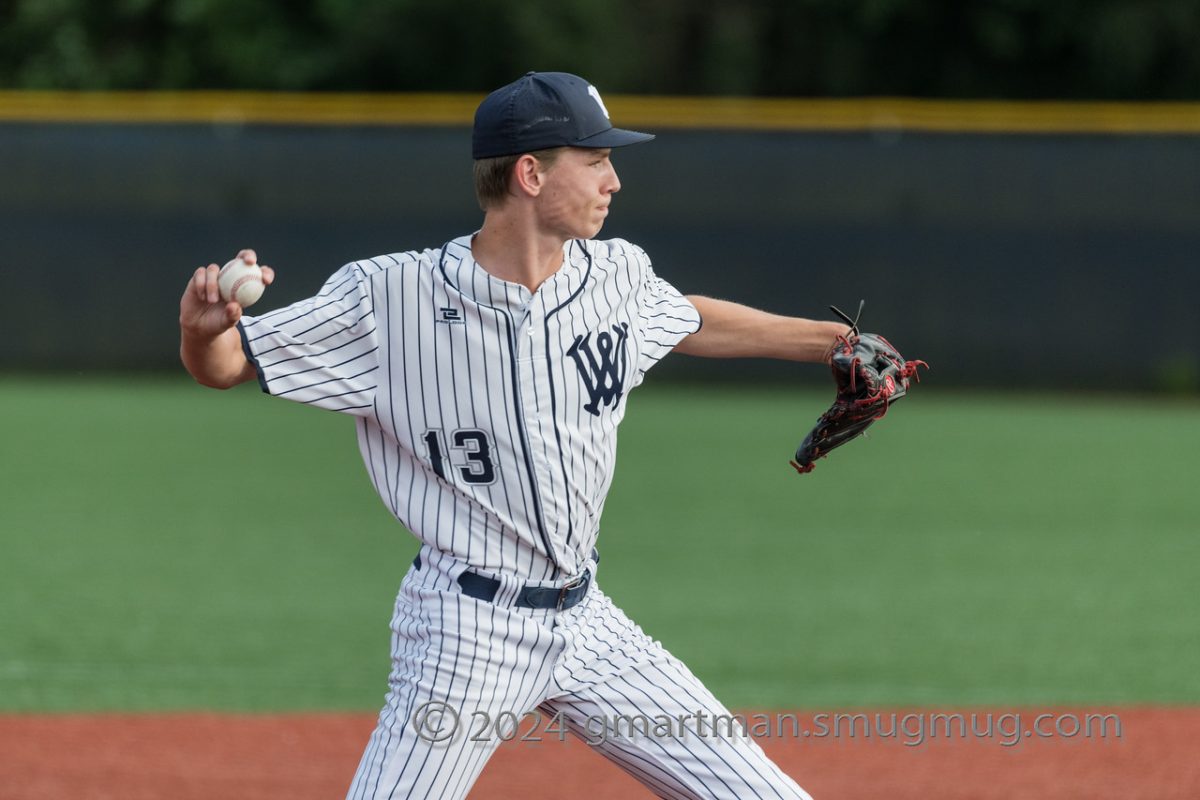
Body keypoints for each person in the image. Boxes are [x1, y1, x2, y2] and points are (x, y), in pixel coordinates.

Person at [180, 71, 846, 800]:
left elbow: (687, 318)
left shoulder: (617, 275)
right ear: (530, 173)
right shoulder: (386, 298)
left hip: (588, 622)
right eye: (594, 160)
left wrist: (832, 341)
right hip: (466, 630)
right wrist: (201, 331)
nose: (614, 179)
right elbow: (231, 363)